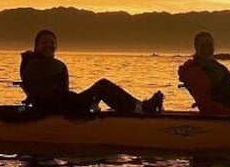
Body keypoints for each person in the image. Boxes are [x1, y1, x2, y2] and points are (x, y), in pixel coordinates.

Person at [20, 29, 164, 115]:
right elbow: (46, 94)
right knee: (102, 86)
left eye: (51, 42)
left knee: (102, 87)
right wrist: (82, 101)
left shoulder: (58, 65)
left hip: (65, 104)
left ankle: (136, 108)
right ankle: (142, 108)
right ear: (37, 46)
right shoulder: (32, 66)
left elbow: (61, 91)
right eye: (44, 42)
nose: (48, 45)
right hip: (55, 108)